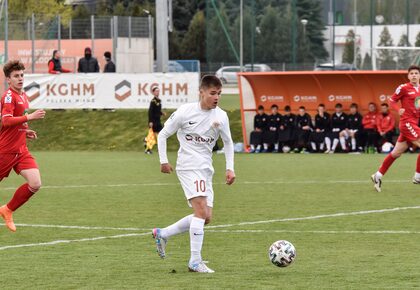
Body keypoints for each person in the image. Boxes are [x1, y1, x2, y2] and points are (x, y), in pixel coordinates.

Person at [153, 75, 235, 273]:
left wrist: (230, 167)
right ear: (202, 92)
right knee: (200, 212)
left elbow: (229, 143)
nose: (216, 97)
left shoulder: (221, 116)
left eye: (219, 94)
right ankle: (195, 261)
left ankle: (163, 233)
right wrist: (163, 160)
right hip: (189, 166)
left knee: (206, 217)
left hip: (206, 168)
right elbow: (163, 134)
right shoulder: (185, 111)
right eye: (213, 93)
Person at [0, 60, 46, 232]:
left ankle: (7, 209)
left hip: (21, 150)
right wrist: (29, 118)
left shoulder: (23, 95)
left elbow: (13, 122)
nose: (20, 79)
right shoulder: (9, 96)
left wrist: (25, 130)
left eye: (21, 75)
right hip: (6, 151)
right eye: (15, 76)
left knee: (35, 183)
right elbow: (5, 120)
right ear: (8, 79)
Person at [371, 65, 420, 192]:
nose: (414, 75)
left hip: (414, 124)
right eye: (412, 73)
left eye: (416, 73)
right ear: (408, 76)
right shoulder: (403, 88)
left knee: (396, 153)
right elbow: (392, 100)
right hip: (407, 123)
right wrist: (399, 110)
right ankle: (418, 176)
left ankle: (378, 175)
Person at [146, 86, 164, 154]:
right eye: (156, 91)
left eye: (158, 91)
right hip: (153, 121)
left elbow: (157, 110)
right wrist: (150, 121)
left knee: (161, 135)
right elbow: (150, 111)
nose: (157, 92)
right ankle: (148, 149)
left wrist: (161, 113)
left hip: (158, 121)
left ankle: (160, 149)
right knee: (151, 136)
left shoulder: (159, 100)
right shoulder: (153, 101)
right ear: (153, 92)